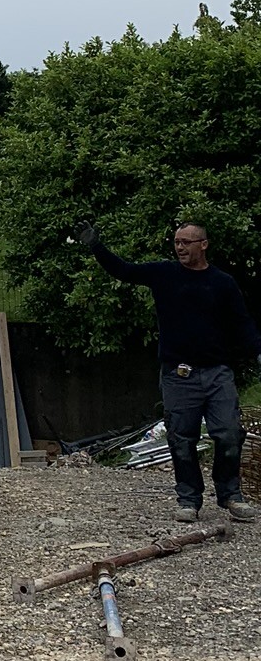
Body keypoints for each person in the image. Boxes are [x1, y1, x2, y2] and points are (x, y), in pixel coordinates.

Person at [78, 220, 260, 522]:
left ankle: (231, 496)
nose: (179, 247)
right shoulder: (164, 274)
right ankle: (189, 500)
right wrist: (96, 246)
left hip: (217, 372)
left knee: (228, 434)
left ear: (203, 244)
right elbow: (124, 270)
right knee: (181, 439)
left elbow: (242, 324)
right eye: (176, 241)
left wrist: (257, 350)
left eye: (186, 242)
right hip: (179, 374)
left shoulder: (223, 283)